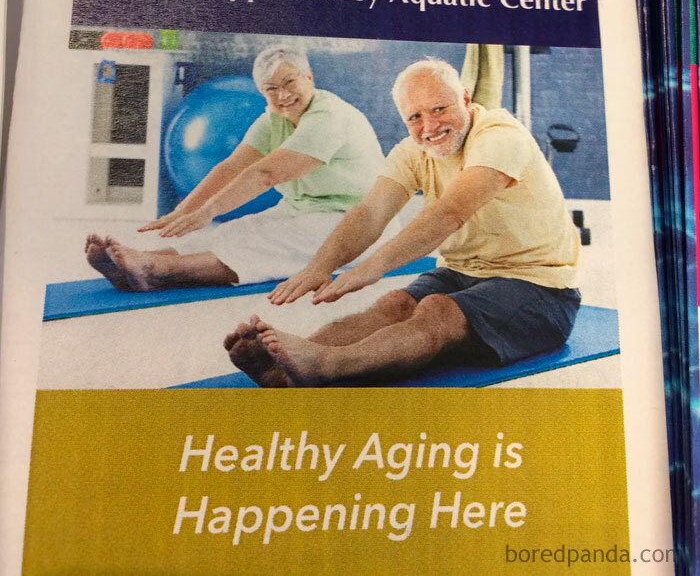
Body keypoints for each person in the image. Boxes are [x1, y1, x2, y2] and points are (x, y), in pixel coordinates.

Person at [225, 58, 580, 387]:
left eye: (440, 109)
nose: (430, 127)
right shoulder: (412, 153)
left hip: (540, 291)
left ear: (466, 99)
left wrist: (372, 266)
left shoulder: (500, 136)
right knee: (393, 305)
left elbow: (449, 213)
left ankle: (327, 364)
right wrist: (322, 265)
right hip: (464, 273)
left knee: (437, 309)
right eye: (415, 117)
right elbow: (370, 213)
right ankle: (283, 365)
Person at [85, 44, 385, 292]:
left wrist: (208, 211)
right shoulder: (273, 120)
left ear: (309, 76)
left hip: (360, 222)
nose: (282, 95)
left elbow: (266, 174)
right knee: (236, 230)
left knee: (274, 242)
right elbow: (231, 167)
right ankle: (138, 263)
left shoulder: (328, 116)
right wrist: (183, 210)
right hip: (303, 209)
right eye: (271, 89)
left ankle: (159, 271)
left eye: (289, 82)